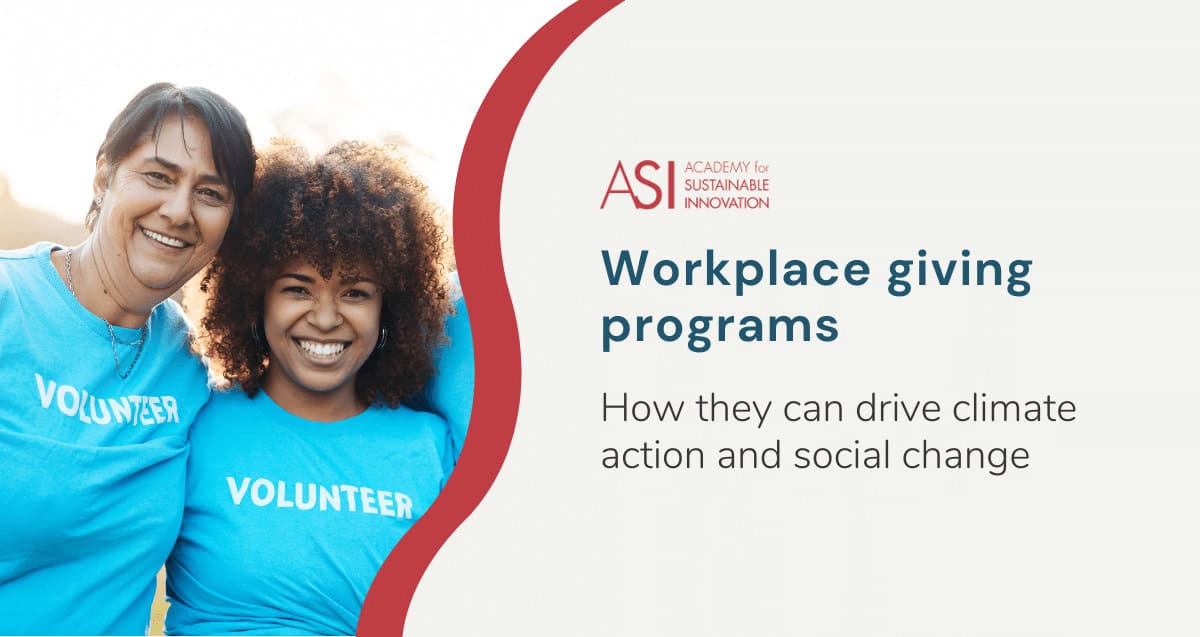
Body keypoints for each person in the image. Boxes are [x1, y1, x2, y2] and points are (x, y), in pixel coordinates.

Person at [165, 140, 465, 635]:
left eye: (355, 292)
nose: (326, 318)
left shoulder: (432, 450)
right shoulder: (195, 423)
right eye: (297, 288)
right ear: (254, 298)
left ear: (389, 309)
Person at [0, 83, 255, 635]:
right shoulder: (7, 301)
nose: (179, 209)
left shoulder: (194, 367)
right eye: (158, 176)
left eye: (211, 193)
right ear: (103, 176)